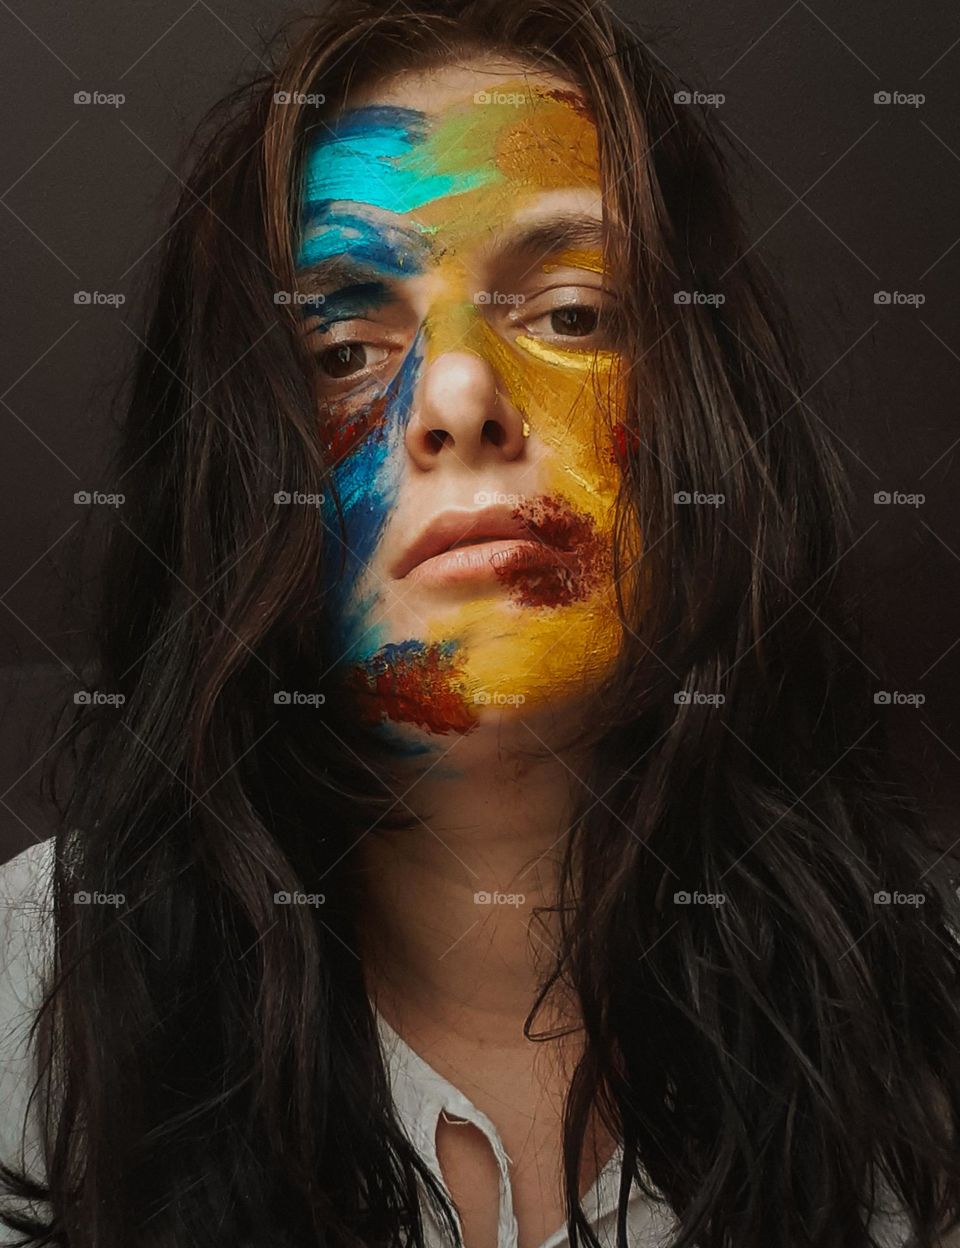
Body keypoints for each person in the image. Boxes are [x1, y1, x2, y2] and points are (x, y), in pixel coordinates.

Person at [1, 1, 958, 1245]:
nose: (456, 396)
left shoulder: (923, 1010)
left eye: (571, 312)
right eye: (342, 343)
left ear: (713, 421)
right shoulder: (38, 996)